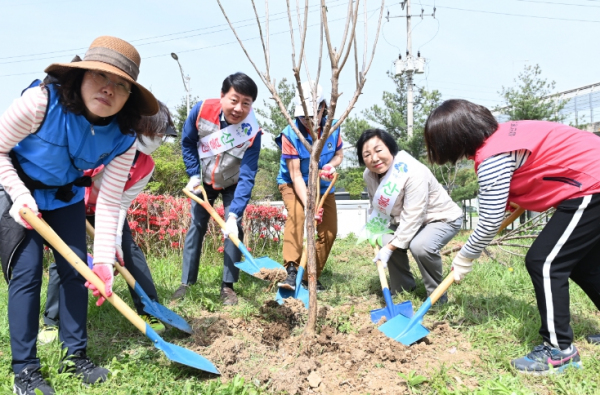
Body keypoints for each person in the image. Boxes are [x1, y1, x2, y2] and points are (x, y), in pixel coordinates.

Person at [0, 36, 158, 395]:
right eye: (102, 76)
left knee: (77, 272)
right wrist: (20, 194)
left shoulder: (123, 138)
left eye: (122, 85)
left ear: (129, 97)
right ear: (80, 77)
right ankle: (25, 370)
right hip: (15, 188)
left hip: (66, 195)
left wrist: (102, 261)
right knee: (26, 274)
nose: (109, 89)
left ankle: (76, 356)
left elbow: (109, 200)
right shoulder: (39, 103)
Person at [423, 99, 600, 375]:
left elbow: (491, 219)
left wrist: (465, 256)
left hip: (591, 183)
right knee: (581, 263)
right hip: (590, 179)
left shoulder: (493, 155)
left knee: (545, 263)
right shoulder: (505, 135)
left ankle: (559, 351)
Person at [38, 101, 177, 345]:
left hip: (109, 210)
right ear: (138, 126)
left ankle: (149, 308)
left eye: (161, 136)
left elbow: (121, 203)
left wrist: (113, 241)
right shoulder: (105, 144)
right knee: (69, 253)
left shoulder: (146, 167)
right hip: (73, 203)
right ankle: (52, 320)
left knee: (129, 253)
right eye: (154, 134)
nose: (157, 140)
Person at [172, 72, 261, 306]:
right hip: (203, 179)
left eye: (246, 103)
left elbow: (248, 174)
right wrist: (192, 175)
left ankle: (228, 287)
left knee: (234, 229)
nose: (239, 108)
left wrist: (234, 214)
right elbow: (188, 142)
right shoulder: (201, 111)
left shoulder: (253, 132)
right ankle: (186, 283)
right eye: (234, 99)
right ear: (222, 96)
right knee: (196, 225)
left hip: (232, 181)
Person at [356, 129, 463, 300]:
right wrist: (374, 232)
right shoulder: (369, 175)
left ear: (391, 149)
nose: (374, 158)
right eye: (367, 154)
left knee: (420, 246)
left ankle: (437, 297)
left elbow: (414, 216)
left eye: (378, 150)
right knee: (383, 239)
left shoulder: (413, 172)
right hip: (404, 221)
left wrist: (389, 248)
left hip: (439, 218)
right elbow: (375, 204)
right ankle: (402, 289)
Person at [276, 82, 343, 291]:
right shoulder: (290, 133)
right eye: (303, 116)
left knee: (330, 230)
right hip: (292, 184)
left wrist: (330, 166)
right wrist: (309, 206)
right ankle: (291, 271)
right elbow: (295, 175)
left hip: (323, 186)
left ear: (323, 107)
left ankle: (309, 274)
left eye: (312, 116)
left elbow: (339, 155)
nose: (307, 121)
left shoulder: (333, 128)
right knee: (297, 216)